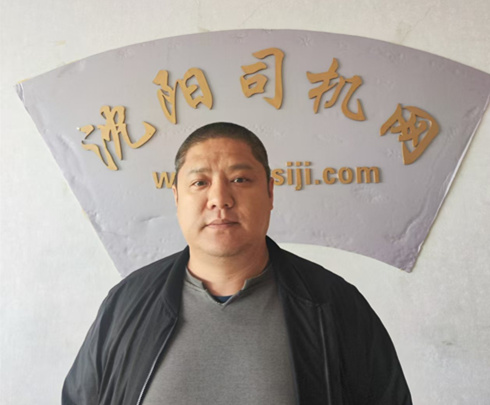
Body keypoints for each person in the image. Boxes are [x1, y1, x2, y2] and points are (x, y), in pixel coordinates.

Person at [62, 122, 412, 405]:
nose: (219, 199)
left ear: (270, 193)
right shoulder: (127, 303)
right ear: (177, 197)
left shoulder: (334, 304)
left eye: (239, 180)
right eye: (200, 182)